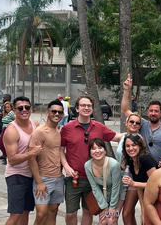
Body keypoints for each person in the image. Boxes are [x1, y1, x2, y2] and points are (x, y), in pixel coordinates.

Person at [60, 95, 119, 225]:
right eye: (83, 105)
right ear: (77, 108)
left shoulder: (99, 127)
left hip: (93, 179)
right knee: (71, 213)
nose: (86, 108)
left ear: (92, 109)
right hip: (74, 178)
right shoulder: (67, 128)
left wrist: (134, 132)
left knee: (89, 211)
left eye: (89, 106)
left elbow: (117, 137)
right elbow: (60, 150)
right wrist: (66, 166)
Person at [4, 96, 40, 225]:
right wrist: (32, 153)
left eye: (27, 107)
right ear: (14, 110)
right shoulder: (12, 130)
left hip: (32, 176)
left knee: (25, 211)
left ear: (31, 109)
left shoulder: (35, 125)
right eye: (20, 108)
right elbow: (12, 159)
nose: (24, 110)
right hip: (16, 176)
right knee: (16, 214)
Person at [28, 99, 65, 225]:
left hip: (58, 178)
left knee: (53, 211)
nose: (57, 114)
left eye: (60, 112)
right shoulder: (39, 132)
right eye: (54, 111)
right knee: (41, 213)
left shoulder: (58, 131)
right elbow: (31, 158)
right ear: (47, 113)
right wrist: (39, 182)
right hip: (44, 178)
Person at [121, 74, 161, 163]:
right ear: (147, 112)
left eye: (156, 111)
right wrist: (126, 90)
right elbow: (125, 111)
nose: (153, 113)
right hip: (144, 168)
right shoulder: (142, 124)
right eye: (151, 111)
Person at [85, 138, 123, 225]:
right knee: (102, 221)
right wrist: (104, 207)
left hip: (118, 194)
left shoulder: (113, 164)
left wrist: (112, 207)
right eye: (93, 148)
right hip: (104, 196)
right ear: (90, 152)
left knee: (111, 220)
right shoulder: (87, 165)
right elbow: (94, 187)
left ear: (105, 150)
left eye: (100, 147)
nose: (97, 151)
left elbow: (116, 187)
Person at [121, 133, 157, 225]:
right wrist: (142, 210)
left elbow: (156, 185)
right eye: (127, 146)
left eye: (134, 145)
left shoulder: (146, 159)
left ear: (140, 146)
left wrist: (133, 184)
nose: (131, 148)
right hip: (147, 198)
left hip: (158, 198)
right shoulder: (131, 162)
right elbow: (140, 190)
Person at [0, 101, 15, 165]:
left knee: (5, 145)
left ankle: (8, 157)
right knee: (1, 144)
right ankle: (6, 156)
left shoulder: (11, 113)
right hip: (3, 129)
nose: (7, 108)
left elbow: (16, 120)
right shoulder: (5, 113)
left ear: (11, 107)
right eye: (6, 107)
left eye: (8, 107)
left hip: (8, 130)